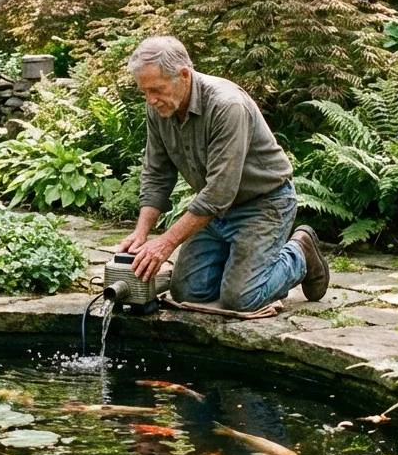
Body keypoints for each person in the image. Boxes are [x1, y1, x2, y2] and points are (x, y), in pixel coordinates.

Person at [116, 36, 328, 311]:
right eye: (144, 91)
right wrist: (141, 233)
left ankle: (300, 252)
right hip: (216, 214)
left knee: (241, 298)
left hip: (264, 205)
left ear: (183, 75)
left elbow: (219, 191)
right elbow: (157, 173)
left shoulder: (227, 105)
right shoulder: (159, 107)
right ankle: (241, 262)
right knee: (186, 292)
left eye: (156, 89)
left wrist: (166, 243)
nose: (150, 99)